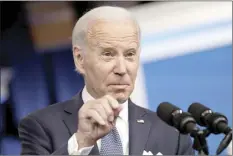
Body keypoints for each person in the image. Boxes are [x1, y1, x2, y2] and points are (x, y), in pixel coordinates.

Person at [18, 6, 194, 155]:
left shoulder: (173, 134)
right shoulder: (40, 126)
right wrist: (81, 143)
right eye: (108, 54)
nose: (122, 69)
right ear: (80, 59)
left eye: (130, 54)